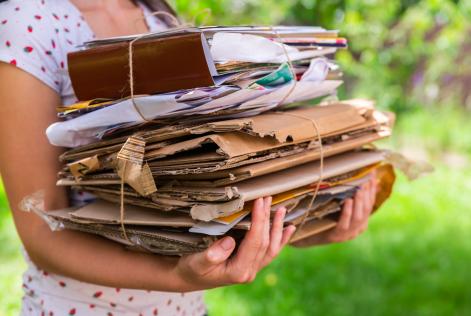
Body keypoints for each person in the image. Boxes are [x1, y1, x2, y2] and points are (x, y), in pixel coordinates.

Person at [0, 0, 378, 315]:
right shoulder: (26, 23)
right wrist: (178, 277)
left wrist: (301, 224)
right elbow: (40, 234)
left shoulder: (155, 16)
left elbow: (194, 188)